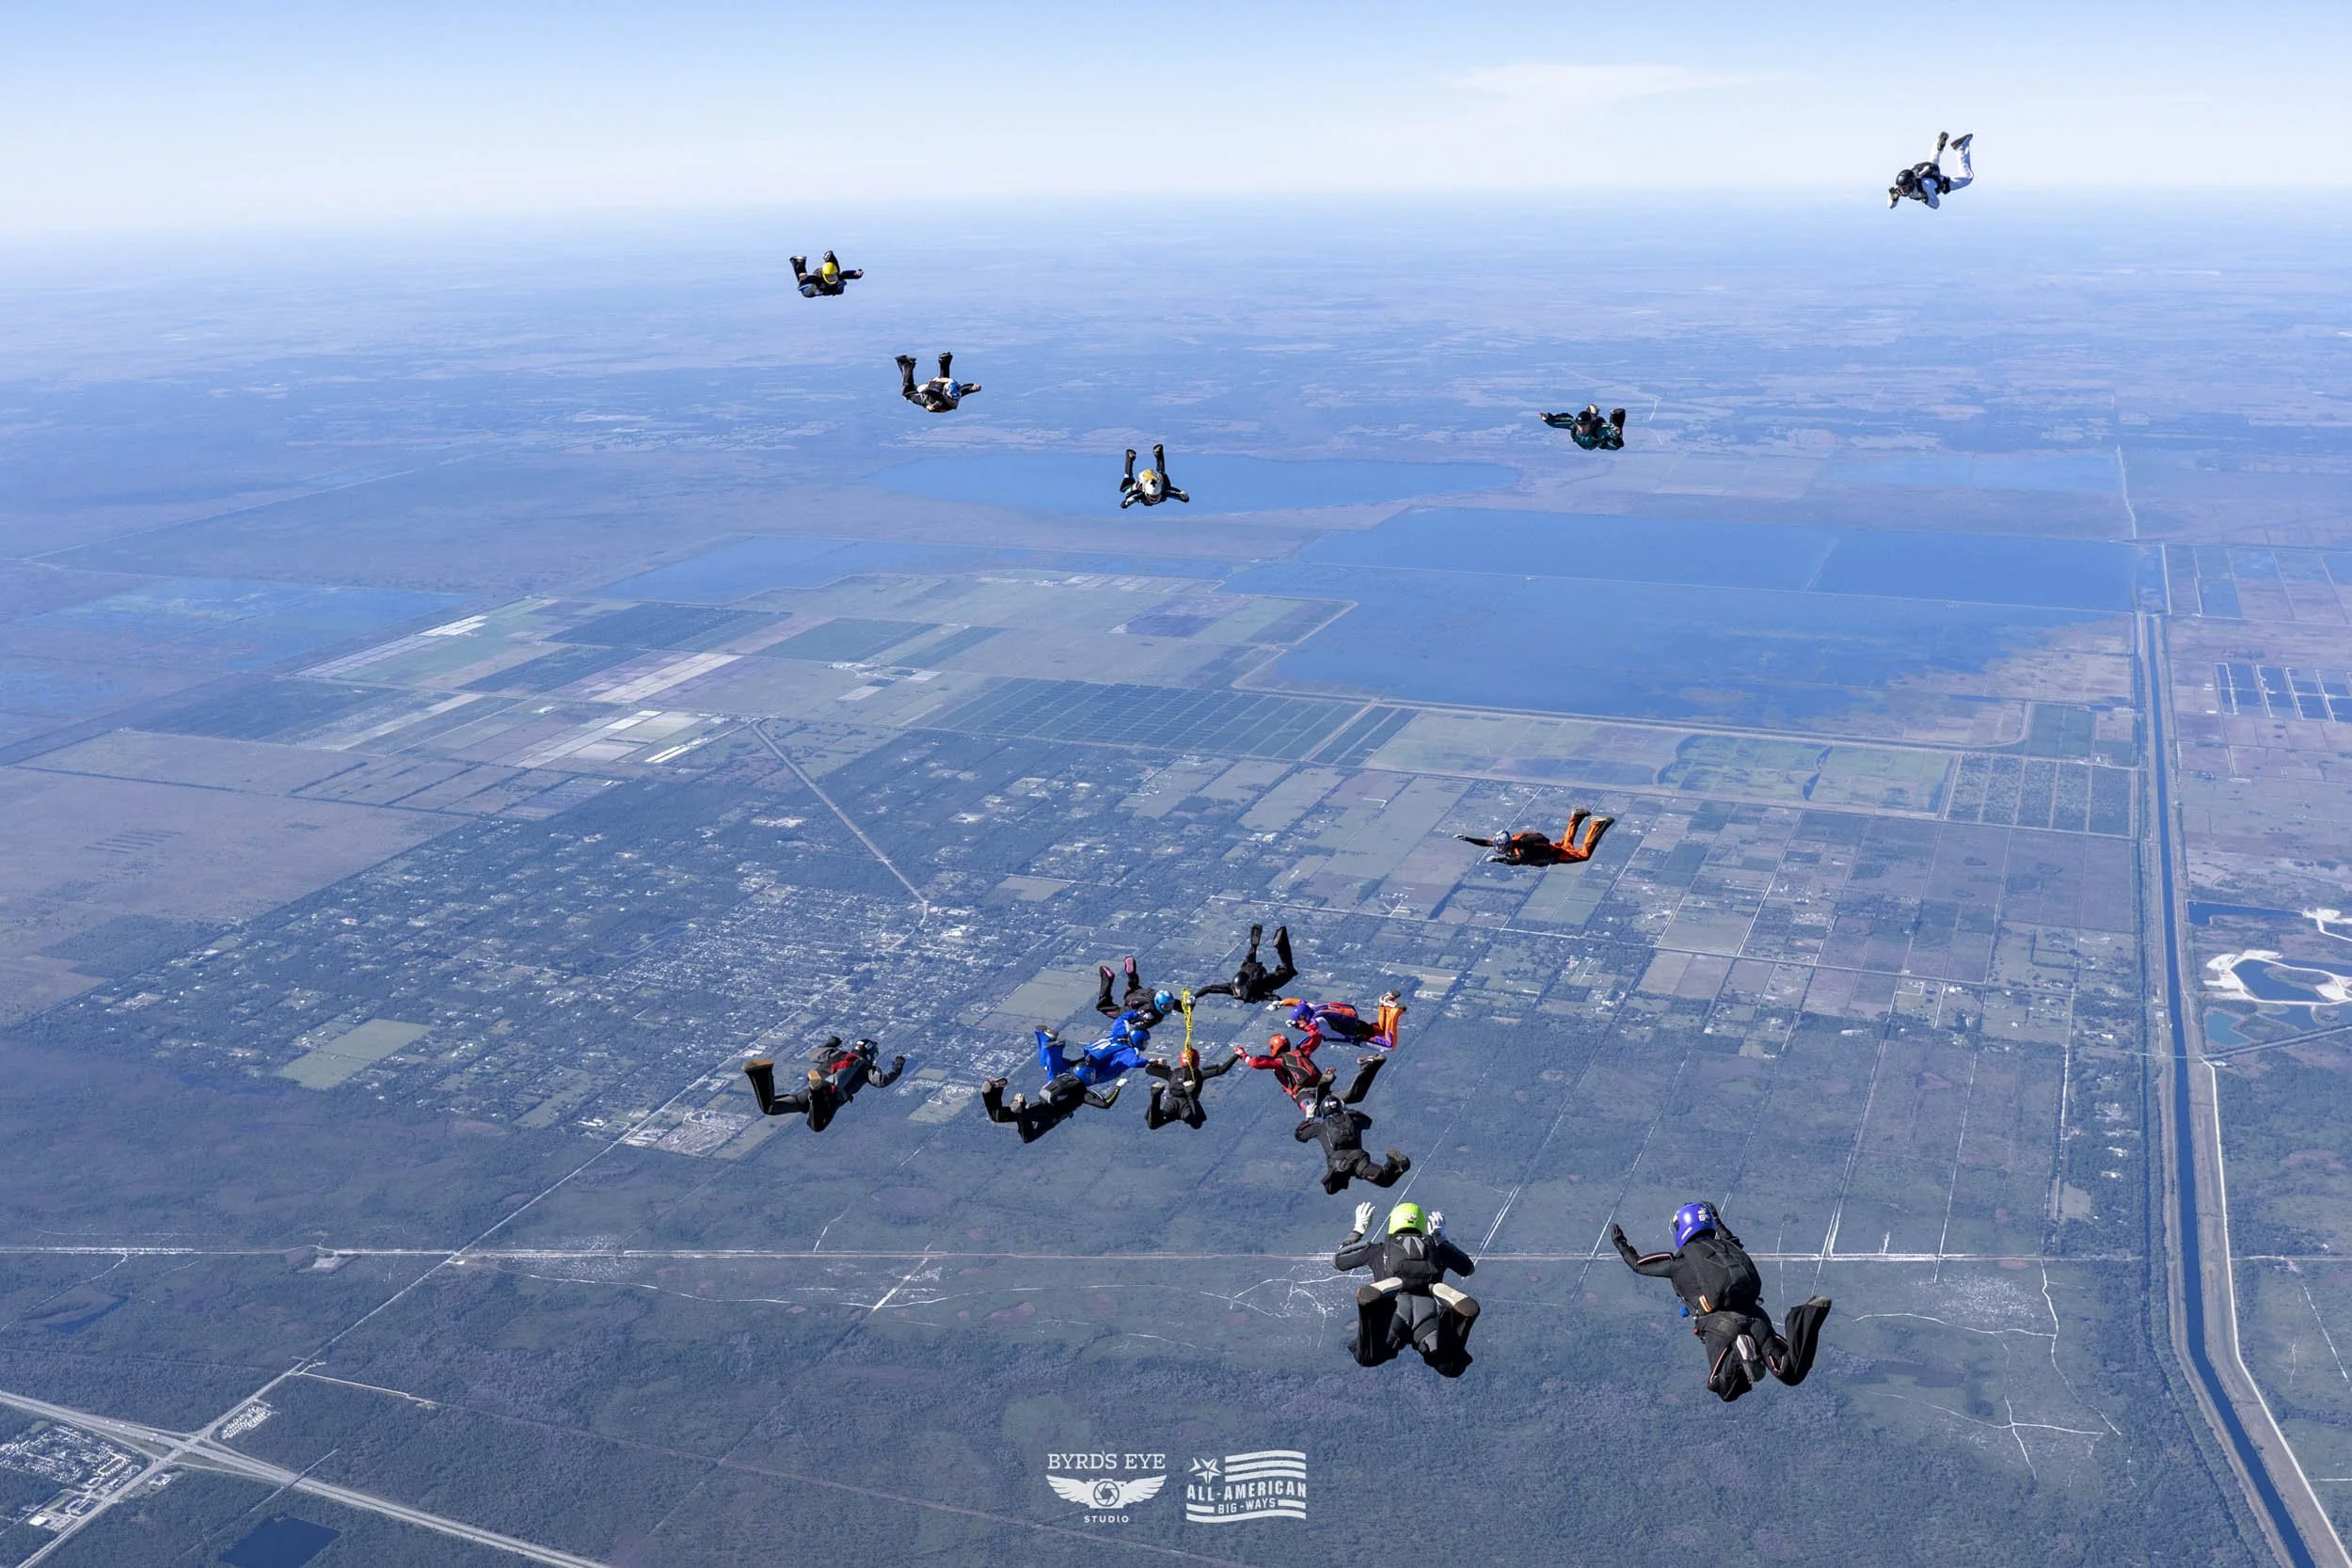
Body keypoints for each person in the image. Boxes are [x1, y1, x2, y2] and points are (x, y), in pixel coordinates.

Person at [1611, 1201, 1833, 1402]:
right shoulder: (1729, 1248)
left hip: (1720, 1326)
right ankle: (1808, 1316)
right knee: (1789, 1372)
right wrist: (1717, 1220)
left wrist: (1620, 1243)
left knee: (1724, 1386)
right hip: (1757, 1317)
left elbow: (1638, 1264)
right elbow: (1731, 1239)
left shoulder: (1678, 1261)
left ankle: (1739, 1354)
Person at [1334, 1201, 1479, 1377]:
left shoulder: (1379, 1251)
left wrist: (1358, 1230)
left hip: (1395, 1310)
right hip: (1426, 1311)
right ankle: (1455, 1317)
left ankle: (1370, 1307)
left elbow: (1340, 1261)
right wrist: (1442, 1239)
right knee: (1449, 1365)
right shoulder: (1436, 1250)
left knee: (1369, 1357)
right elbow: (1467, 1268)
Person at [742, 1036, 904, 1132]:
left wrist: (829, 1044)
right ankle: (817, 1089)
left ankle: (760, 1073)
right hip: (828, 1098)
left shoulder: (837, 1054)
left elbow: (812, 1054)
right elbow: (880, 1081)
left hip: (808, 1093)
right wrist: (896, 1071)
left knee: (771, 1107)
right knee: (817, 1126)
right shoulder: (865, 1068)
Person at [1295, 1058, 1406, 1193]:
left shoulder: (1320, 1127)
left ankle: (1393, 1164)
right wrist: (1348, 1112)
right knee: (1385, 1180)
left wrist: (1309, 1118)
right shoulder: (1352, 1118)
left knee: (1331, 1189)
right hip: (1358, 1158)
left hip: (1339, 1162)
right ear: (1341, 1107)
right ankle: (1395, 1164)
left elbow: (1300, 1136)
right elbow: (1368, 1122)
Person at [981, 1070, 1118, 1143]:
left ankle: (991, 1089)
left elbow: (1051, 1061)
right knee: (1028, 1137)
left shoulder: (1066, 1074)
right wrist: (1119, 1086)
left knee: (996, 1116)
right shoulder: (1083, 1092)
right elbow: (1105, 1103)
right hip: (1048, 1116)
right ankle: (1019, 1110)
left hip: (1039, 1107)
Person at [1457, 807, 1615, 866]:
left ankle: (1596, 825)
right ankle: (1576, 816)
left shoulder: (1522, 851)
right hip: (1551, 850)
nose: (1500, 849)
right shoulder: (1511, 840)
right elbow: (1485, 842)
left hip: (1554, 854)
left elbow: (1515, 861)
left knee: (1584, 855)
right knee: (1567, 843)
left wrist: (1499, 860)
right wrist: (1466, 838)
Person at [1192, 923, 1298, 1004]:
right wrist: (1195, 996)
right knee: (1249, 959)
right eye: (1237, 989)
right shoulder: (1232, 988)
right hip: (1247, 968)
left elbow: (1271, 997)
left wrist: (1277, 1003)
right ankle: (1254, 943)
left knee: (1289, 971)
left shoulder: (1257, 990)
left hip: (1261, 979)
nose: (1237, 992)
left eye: (1239, 989)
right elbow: (1210, 989)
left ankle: (1280, 944)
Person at [1143, 1044, 1236, 1131]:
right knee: (1196, 1123)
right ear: (1197, 1061)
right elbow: (1221, 1070)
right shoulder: (1198, 1075)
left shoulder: (1172, 1074)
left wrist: (1156, 1063)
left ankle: (1155, 1096)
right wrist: (1237, 1055)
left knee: (1154, 1124)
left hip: (1173, 1103)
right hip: (1187, 1104)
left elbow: (1148, 1070)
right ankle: (1190, 1093)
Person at [1236, 1030, 1332, 1111]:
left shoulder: (1278, 1062)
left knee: (1312, 1110)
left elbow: (1254, 1063)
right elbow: (1316, 1038)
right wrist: (1304, 1025)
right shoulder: (1301, 1052)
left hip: (1302, 1093)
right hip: (1321, 1086)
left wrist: (1243, 1055)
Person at [1278, 992, 1405, 1051]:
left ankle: (1394, 1014)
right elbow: (1299, 1002)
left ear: (1303, 1017)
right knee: (1381, 1031)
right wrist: (1282, 1003)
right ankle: (1384, 1003)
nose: (1298, 1025)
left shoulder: (1318, 1021)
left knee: (1389, 1045)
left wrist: (1296, 1025)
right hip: (1355, 1025)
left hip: (1357, 1037)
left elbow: (1312, 1030)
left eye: (1298, 1022)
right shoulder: (1313, 1008)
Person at [1889, 131, 1974, 210]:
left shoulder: (1925, 186)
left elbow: (1936, 204)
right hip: (1925, 170)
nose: (1902, 190)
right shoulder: (1899, 188)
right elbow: (1891, 206)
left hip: (1938, 180)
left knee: (1968, 178)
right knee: (1933, 162)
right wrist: (1894, 199)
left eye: (1904, 188)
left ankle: (1960, 148)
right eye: (1901, 187)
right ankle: (1938, 145)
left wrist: (1925, 198)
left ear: (1911, 184)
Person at [1096, 957, 1177, 1029]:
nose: (1168, 1008)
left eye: (1169, 1006)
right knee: (1103, 1006)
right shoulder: (1150, 1011)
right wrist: (1143, 1022)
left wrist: (1187, 1006)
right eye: (1165, 1007)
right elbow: (1140, 1021)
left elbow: (1177, 1004)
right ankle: (1107, 978)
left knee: (1133, 986)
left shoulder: (1162, 999)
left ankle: (1131, 974)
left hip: (1138, 993)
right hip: (1131, 1007)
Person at [897, 352, 979, 413]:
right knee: (907, 393)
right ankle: (907, 365)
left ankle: (944, 361)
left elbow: (966, 389)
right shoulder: (946, 399)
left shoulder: (955, 392)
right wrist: (928, 406)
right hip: (933, 389)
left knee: (940, 385)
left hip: (936, 386)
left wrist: (974, 387)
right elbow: (929, 393)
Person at [1120, 444, 1190, 509]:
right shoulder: (1161, 493)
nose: (1154, 498)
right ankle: (1158, 454)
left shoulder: (1159, 493)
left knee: (1125, 489)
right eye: (1152, 496)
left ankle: (1130, 458)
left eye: (1155, 496)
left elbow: (1126, 503)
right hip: (1148, 479)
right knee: (1126, 489)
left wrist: (1127, 503)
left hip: (1152, 479)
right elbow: (1175, 493)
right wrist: (1183, 496)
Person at [1537, 404, 1627, 451]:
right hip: (1588, 443)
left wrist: (1615, 432)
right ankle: (1592, 414)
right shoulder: (1574, 426)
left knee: (1616, 445)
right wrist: (1547, 418)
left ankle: (1616, 415)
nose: (1582, 428)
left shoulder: (1598, 429)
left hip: (1597, 442)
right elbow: (1556, 423)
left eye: (1585, 425)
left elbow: (1608, 429)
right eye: (1580, 425)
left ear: (1590, 425)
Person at [791, 251, 863, 297]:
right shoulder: (817, 279)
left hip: (832, 289)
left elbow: (846, 274)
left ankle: (830, 256)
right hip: (819, 289)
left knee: (840, 286)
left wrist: (857, 274)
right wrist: (802, 280)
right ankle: (799, 262)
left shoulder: (837, 276)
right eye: (830, 277)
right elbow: (801, 288)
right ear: (824, 276)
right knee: (806, 292)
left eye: (833, 277)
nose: (832, 279)